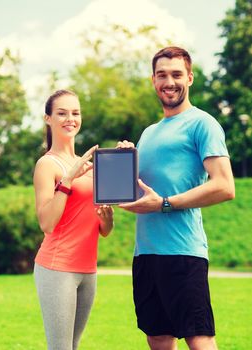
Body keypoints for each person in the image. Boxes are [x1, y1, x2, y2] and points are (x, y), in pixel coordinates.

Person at [117, 47, 235, 350]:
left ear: (190, 78)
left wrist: (165, 203)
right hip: (145, 255)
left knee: (199, 339)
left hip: (183, 253)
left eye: (176, 74)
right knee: (157, 337)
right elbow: (139, 192)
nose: (169, 81)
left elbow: (224, 185)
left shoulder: (203, 123)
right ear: (153, 80)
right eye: (162, 75)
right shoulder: (149, 132)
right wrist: (121, 162)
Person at [33, 89, 114, 350]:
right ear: (48, 119)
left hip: (88, 270)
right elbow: (46, 223)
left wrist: (108, 218)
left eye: (75, 113)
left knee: (74, 346)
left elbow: (104, 230)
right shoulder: (47, 165)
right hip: (57, 269)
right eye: (62, 113)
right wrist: (68, 179)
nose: (70, 118)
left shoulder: (87, 164)